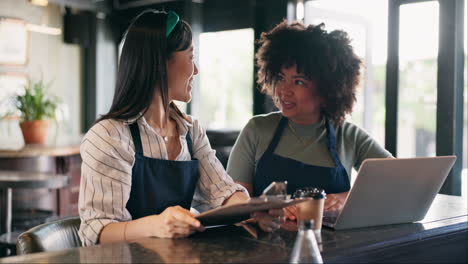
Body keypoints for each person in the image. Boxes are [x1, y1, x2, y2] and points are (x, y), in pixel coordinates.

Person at [78, 10, 282, 247]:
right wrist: (156, 225)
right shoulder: (108, 136)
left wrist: (251, 211)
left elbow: (222, 192)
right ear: (160, 64)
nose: (196, 70)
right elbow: (98, 231)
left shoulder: (191, 131)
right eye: (190, 57)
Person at [227, 20, 392, 223]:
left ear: (327, 90)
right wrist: (263, 210)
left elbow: (395, 181)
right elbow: (232, 202)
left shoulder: (349, 136)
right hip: (264, 247)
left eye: (298, 81)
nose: (283, 91)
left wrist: (347, 198)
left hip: (333, 250)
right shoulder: (257, 130)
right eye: (280, 78)